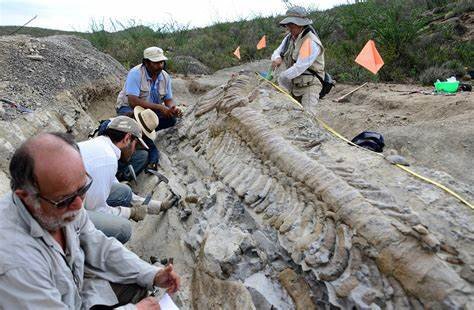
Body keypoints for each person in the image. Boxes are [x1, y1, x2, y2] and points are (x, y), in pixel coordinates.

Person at [0, 132, 180, 309]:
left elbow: (100, 246)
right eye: (65, 200)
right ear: (26, 197)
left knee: (138, 282)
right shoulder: (16, 264)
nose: (79, 205)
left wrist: (152, 274)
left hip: (79, 294)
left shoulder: (61, 206)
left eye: (82, 188)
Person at [79, 116, 177, 243]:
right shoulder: (106, 159)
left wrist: (158, 206)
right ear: (127, 139)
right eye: (135, 144)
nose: (134, 150)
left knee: (123, 191)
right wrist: (130, 212)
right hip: (60, 217)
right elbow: (97, 210)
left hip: (67, 199)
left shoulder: (101, 145)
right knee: (123, 229)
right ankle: (85, 257)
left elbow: (120, 191)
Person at [271, 6, 326, 109]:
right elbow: (276, 52)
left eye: (292, 25)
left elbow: (299, 68)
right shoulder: (289, 38)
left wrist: (281, 77)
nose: (289, 28)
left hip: (310, 86)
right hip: (294, 85)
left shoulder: (310, 42)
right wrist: (277, 58)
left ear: (301, 25)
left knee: (308, 116)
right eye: (288, 25)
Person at [116, 46, 183, 130]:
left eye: (161, 62)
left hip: (150, 110)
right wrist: (160, 107)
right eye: (156, 63)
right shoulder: (136, 73)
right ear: (146, 63)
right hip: (128, 108)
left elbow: (168, 99)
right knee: (134, 123)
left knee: (171, 120)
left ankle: (147, 131)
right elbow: (133, 101)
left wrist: (172, 109)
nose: (160, 66)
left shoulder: (165, 77)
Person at [96, 107, 161, 182]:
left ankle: (122, 178)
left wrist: (152, 163)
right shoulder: (116, 124)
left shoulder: (142, 136)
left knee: (143, 155)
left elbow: (153, 149)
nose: (141, 135)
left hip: (118, 163)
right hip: (104, 158)